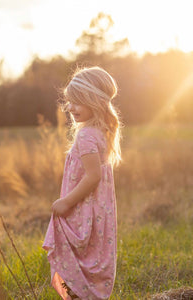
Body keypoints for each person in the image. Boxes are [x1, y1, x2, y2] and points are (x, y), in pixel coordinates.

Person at [43, 66, 122, 300]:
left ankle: (72, 296)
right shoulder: (101, 131)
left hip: (81, 208)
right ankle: (86, 294)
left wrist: (66, 202)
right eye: (69, 101)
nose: (70, 108)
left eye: (77, 102)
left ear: (95, 101)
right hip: (97, 210)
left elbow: (93, 176)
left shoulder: (86, 135)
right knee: (89, 256)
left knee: (68, 259)